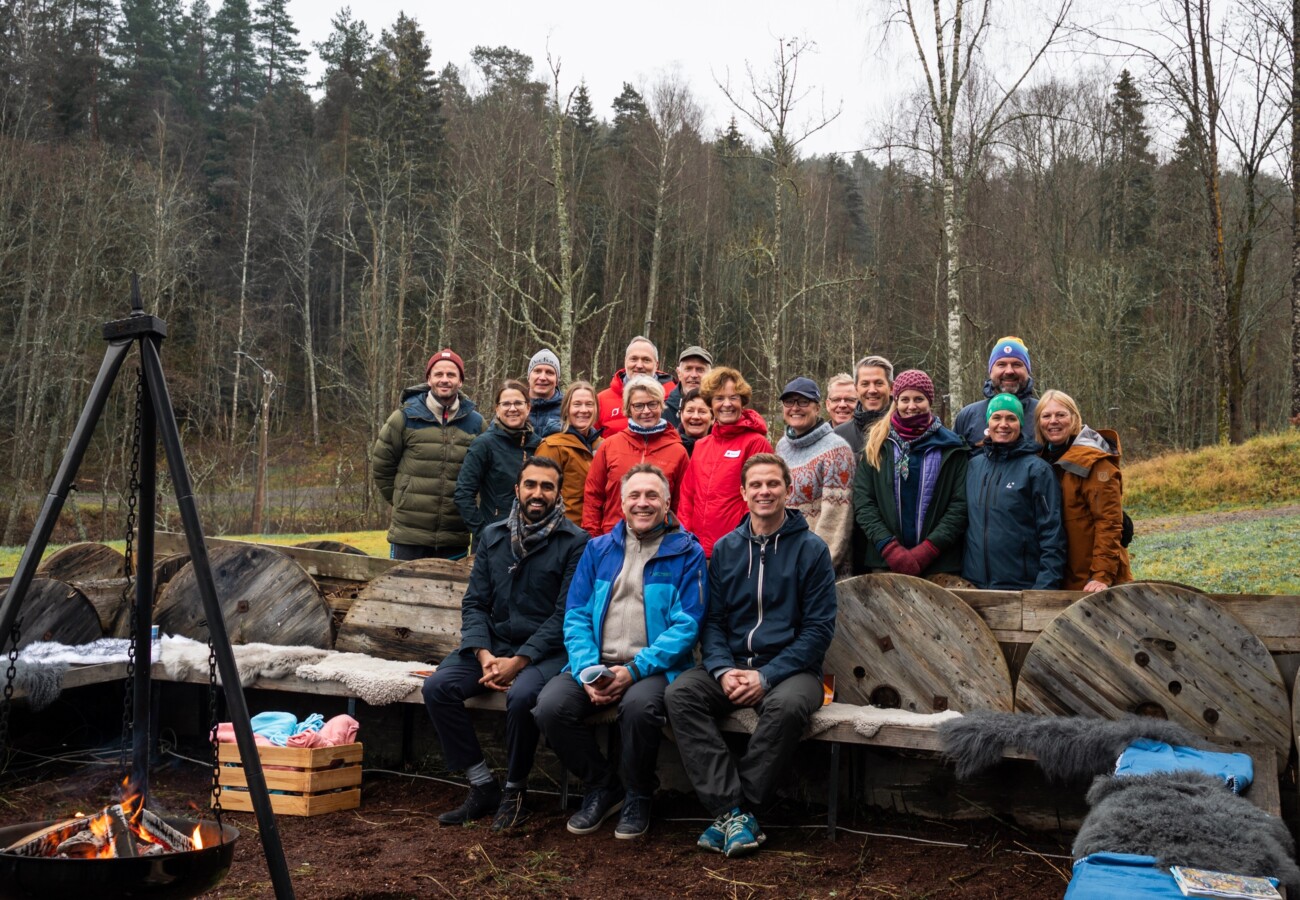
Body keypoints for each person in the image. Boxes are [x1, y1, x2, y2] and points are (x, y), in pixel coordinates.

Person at [665, 454, 836, 858]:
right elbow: (713, 621)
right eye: (755, 485)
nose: (764, 492)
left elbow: (818, 631)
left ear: (787, 490)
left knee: (787, 707)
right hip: (732, 665)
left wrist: (767, 675)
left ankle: (736, 812)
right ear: (742, 492)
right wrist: (722, 668)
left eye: (773, 484)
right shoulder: (725, 548)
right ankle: (733, 813)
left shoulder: (811, 550)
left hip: (794, 670)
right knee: (680, 694)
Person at [534, 464, 707, 840]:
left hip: (654, 668)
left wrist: (634, 670)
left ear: (667, 502)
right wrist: (586, 670)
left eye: (651, 496)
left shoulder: (687, 553)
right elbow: (576, 614)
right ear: (622, 501)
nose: (642, 503)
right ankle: (602, 785)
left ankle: (638, 793)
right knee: (550, 707)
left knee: (639, 708)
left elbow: (687, 623)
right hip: (596, 662)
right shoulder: (598, 549)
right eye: (634, 495)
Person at [421, 457, 588, 831]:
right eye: (531, 485)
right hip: (493, 644)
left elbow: (566, 614)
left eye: (547, 486)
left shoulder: (576, 542)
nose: (538, 494)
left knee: (523, 697)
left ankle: (515, 791)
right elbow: (475, 602)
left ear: (558, 492)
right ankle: (482, 785)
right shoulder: (493, 536)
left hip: (546, 651)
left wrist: (521, 660)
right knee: (437, 687)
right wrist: (483, 654)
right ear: (517, 489)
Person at [852, 370, 968, 578]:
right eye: (904, 399)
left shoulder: (952, 447)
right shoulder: (877, 443)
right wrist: (890, 549)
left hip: (939, 564)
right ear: (895, 401)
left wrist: (928, 550)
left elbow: (959, 506)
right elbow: (863, 501)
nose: (911, 406)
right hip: (885, 561)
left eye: (919, 399)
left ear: (929, 401)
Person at [371, 349, 484, 560]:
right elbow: (381, 466)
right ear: (429, 379)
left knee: (451, 593)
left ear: (460, 382)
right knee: (399, 592)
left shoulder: (476, 423)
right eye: (439, 374)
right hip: (408, 536)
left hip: (454, 536)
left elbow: (485, 474)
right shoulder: (403, 418)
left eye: (451, 375)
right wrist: (403, 499)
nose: (445, 380)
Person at [962, 394, 1066, 590]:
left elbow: (1052, 533)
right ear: (988, 422)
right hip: (973, 586)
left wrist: (1044, 587)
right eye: (997, 417)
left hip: (1022, 586)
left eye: (1011, 418)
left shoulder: (1037, 470)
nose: (1003, 424)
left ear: (1020, 423)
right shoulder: (973, 466)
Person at [1035, 389, 1133, 591]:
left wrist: (1101, 576)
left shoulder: (1095, 462)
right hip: (1064, 577)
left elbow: (1108, 522)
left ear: (1074, 418)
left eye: (1061, 415)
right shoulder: (1041, 461)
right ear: (1039, 422)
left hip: (1094, 580)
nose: (1053, 421)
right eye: (1046, 416)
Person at [679, 367, 773, 558]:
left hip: (738, 551)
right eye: (719, 398)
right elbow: (688, 497)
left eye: (734, 397)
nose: (727, 404)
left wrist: (744, 541)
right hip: (698, 551)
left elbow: (761, 500)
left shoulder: (755, 443)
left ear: (742, 402)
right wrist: (685, 538)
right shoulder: (702, 446)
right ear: (711, 404)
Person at [582, 376, 690, 537]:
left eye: (652, 404)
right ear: (628, 408)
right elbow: (593, 497)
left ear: (661, 406)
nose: (646, 411)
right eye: (639, 406)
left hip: (659, 543)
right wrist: (593, 539)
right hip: (611, 540)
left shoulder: (678, 452)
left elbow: (681, 505)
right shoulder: (609, 446)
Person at [774, 377, 855, 570]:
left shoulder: (837, 449)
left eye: (803, 402)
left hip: (817, 564)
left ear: (817, 408)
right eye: (789, 402)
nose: (795, 408)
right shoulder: (782, 446)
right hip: (785, 557)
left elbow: (836, 518)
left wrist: (817, 565)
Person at [454, 380, 541, 541]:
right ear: (497, 409)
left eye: (518, 403)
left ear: (528, 407)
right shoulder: (484, 445)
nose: (512, 409)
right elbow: (463, 494)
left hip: (532, 539)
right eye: (506, 404)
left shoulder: (539, 446)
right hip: (494, 541)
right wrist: (483, 532)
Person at [535, 381, 603, 527]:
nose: (584, 410)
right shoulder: (552, 446)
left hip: (598, 533)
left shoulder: (604, 446)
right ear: (566, 409)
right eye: (577, 404)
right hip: (564, 533)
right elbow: (538, 496)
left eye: (589, 404)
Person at [953, 336, 1039, 450]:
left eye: (1017, 364)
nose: (1009, 371)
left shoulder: (1044, 414)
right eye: (1001, 364)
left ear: (1027, 371)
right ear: (990, 371)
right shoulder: (968, 416)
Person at [597, 336, 676, 434]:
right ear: (625, 361)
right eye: (634, 359)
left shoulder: (673, 398)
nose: (639, 365)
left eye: (646, 360)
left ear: (656, 364)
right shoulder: (601, 400)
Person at [832, 355, 894, 455]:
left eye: (879, 383)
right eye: (865, 384)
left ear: (891, 388)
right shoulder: (838, 436)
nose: (872, 390)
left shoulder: (906, 431)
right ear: (856, 389)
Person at [665, 346, 713, 429]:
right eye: (688, 369)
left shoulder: (721, 410)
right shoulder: (662, 411)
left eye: (700, 369)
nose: (694, 375)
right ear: (679, 373)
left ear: (711, 375)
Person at [525, 349, 564, 438]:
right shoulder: (513, 406)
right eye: (537, 371)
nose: (542, 377)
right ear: (528, 377)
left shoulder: (569, 408)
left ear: (557, 380)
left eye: (549, 372)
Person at [678, 388, 713, 457]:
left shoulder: (721, 448)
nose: (695, 416)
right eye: (690, 411)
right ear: (681, 415)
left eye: (702, 412)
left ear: (713, 418)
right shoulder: (670, 445)